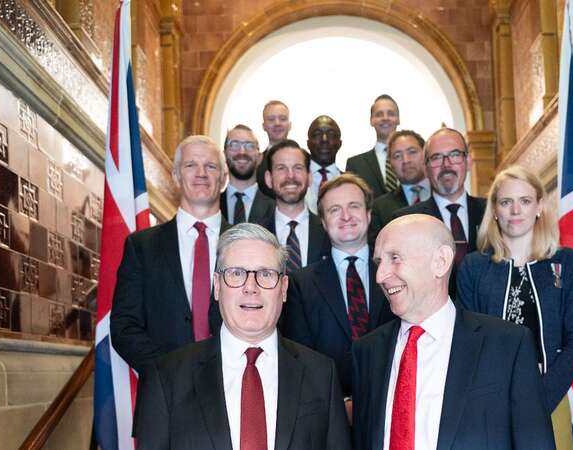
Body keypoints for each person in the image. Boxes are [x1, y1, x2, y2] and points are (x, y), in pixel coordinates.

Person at [134, 223, 351, 450]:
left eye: (265, 274)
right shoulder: (166, 377)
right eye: (236, 273)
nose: (251, 287)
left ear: (284, 288)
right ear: (217, 286)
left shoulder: (322, 373)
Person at [352, 214, 554, 450]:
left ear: (440, 261)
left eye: (395, 258)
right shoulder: (366, 352)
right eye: (379, 262)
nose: (380, 276)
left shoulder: (507, 345)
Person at [457, 165, 573, 449]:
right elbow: (466, 342)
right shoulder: (473, 268)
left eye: (525, 201)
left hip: (549, 396)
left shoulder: (567, 263)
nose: (515, 210)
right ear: (494, 210)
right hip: (489, 404)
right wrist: (494, 398)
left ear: (539, 206)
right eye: (506, 202)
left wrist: (539, 398)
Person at [111, 135, 230, 372]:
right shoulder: (142, 247)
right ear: (176, 177)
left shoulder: (247, 245)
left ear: (224, 179)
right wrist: (169, 373)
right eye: (190, 165)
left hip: (233, 388)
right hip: (165, 394)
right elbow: (125, 327)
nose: (201, 173)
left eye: (211, 166)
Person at [284, 174, 395, 399]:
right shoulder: (300, 284)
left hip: (392, 400)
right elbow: (300, 358)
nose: (346, 216)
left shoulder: (397, 273)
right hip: (329, 407)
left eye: (354, 206)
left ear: (368, 213)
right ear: (323, 222)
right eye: (334, 210)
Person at [393, 127, 486, 295]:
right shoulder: (407, 220)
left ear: (469, 162)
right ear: (426, 167)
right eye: (436, 158)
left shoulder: (490, 212)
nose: (446, 164)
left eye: (455, 154)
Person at [256, 139, 330, 271]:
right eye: (281, 168)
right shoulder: (256, 234)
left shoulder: (329, 230)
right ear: (268, 179)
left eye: (298, 168)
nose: (290, 175)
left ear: (309, 178)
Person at [368, 129, 430, 242]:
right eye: (397, 156)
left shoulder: (444, 196)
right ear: (390, 164)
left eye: (412, 152)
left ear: (426, 154)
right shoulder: (379, 208)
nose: (406, 160)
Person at [346, 94, 400, 197]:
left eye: (391, 113)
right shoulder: (355, 164)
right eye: (379, 114)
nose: (385, 118)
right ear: (371, 120)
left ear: (398, 119)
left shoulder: (415, 158)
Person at [220, 124, 274, 225]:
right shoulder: (212, 203)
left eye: (250, 146)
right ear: (224, 155)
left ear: (260, 158)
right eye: (234, 145)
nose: (242, 152)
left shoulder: (275, 208)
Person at [305, 115, 343, 214]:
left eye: (331, 134)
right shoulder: (296, 181)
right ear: (308, 144)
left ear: (339, 143)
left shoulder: (350, 183)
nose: (324, 139)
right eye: (317, 134)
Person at [257, 100, 292, 197]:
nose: (277, 123)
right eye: (271, 119)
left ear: (290, 125)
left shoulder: (305, 160)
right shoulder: (256, 164)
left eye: (282, 119)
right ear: (264, 126)